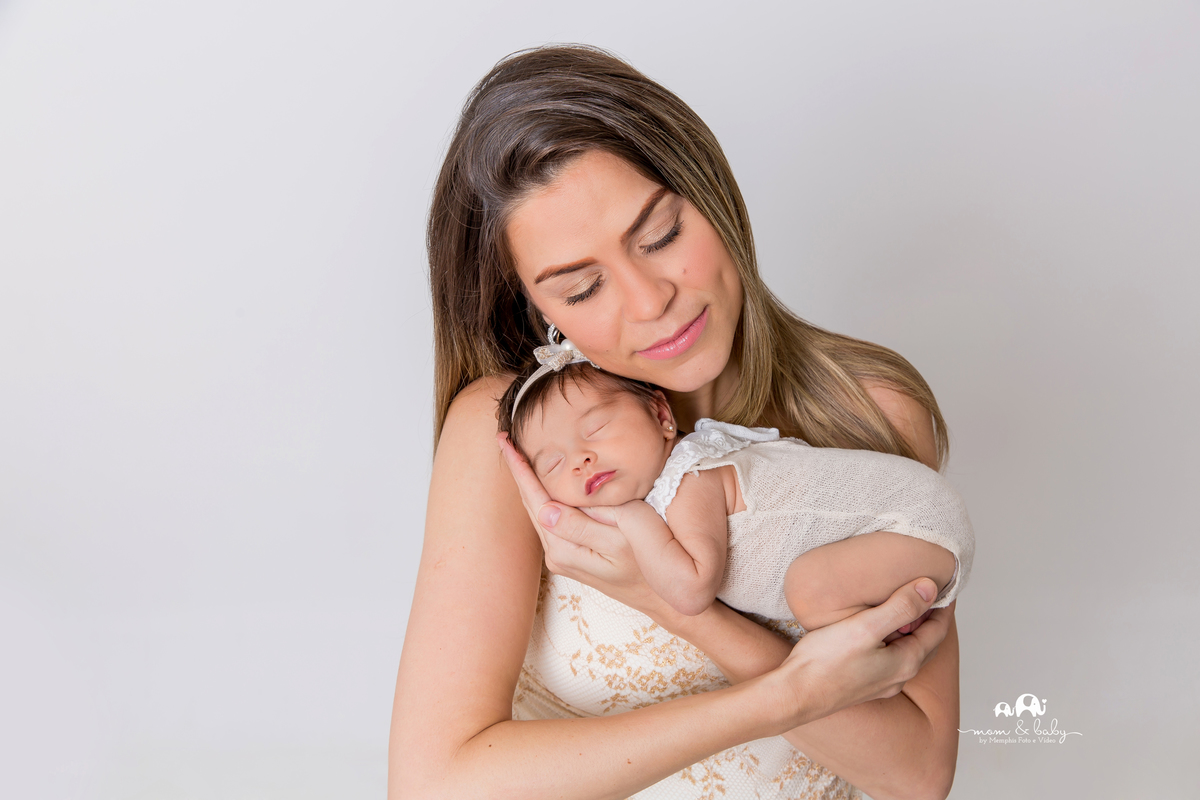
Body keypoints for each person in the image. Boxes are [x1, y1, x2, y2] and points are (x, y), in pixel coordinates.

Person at [391, 45, 961, 800]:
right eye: (583, 286)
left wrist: (672, 601)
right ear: (540, 312)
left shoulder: (865, 413)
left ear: (710, 192)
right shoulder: (514, 444)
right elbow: (433, 786)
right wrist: (781, 698)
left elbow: (916, 773)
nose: (649, 299)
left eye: (660, 236)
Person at [497, 358, 973, 627]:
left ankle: (886, 629)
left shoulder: (691, 478)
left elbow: (691, 590)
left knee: (809, 589)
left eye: (596, 428)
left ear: (663, 417)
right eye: (554, 464)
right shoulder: (676, 485)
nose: (580, 459)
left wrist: (630, 519)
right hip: (912, 528)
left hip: (914, 519)